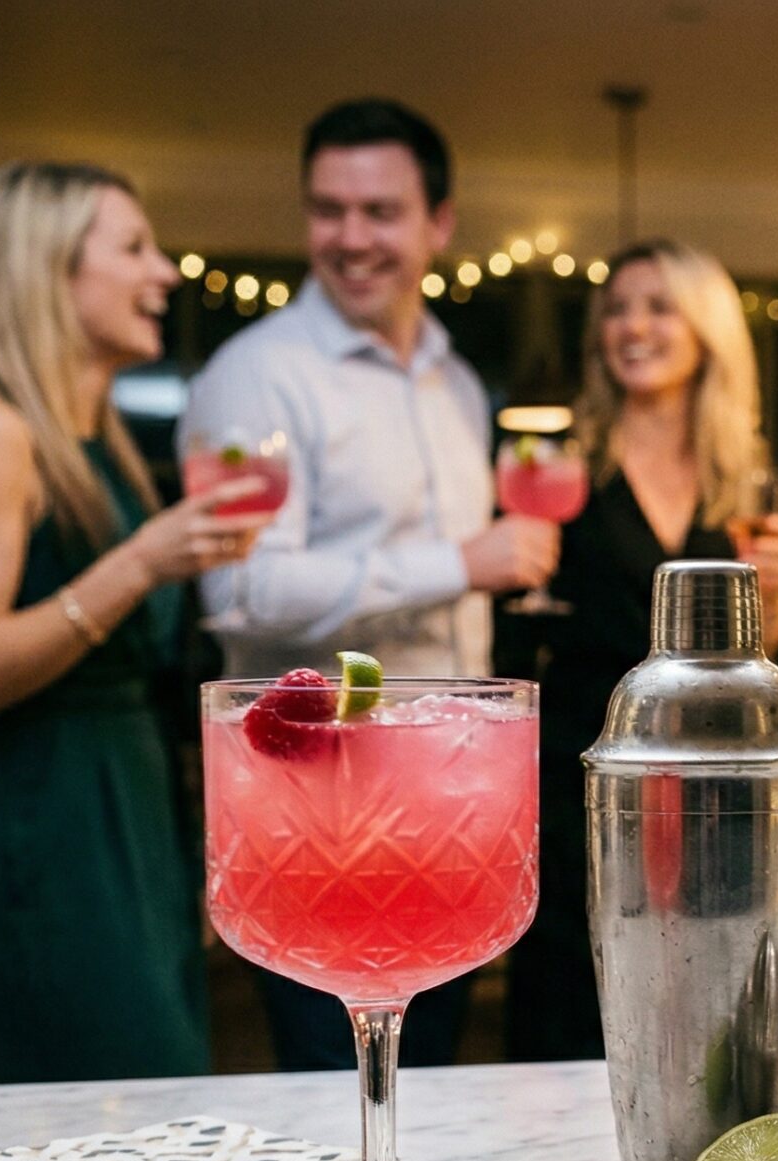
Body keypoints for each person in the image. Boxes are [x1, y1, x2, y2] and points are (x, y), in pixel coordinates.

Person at [182, 98, 554, 1070]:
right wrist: (458, 566)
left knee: (428, 1072)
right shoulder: (256, 375)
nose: (350, 238)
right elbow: (238, 591)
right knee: (330, 1074)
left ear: (439, 224)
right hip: (319, 799)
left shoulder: (455, 383)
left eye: (380, 211)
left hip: (452, 789)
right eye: (327, 210)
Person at [0, 162, 272, 1081]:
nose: (167, 272)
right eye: (134, 248)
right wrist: (142, 562)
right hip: (46, 826)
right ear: (49, 269)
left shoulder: (91, 438)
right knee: (104, 1126)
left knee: (157, 1107)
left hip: (128, 811)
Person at [504, 239, 778, 1062]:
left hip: (710, 778)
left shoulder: (742, 475)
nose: (632, 327)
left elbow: (762, 654)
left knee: (702, 991)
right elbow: (514, 627)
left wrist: (773, 592)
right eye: (617, 309)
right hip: (580, 771)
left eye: (658, 306)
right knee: (571, 988)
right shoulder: (564, 462)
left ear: (706, 328)